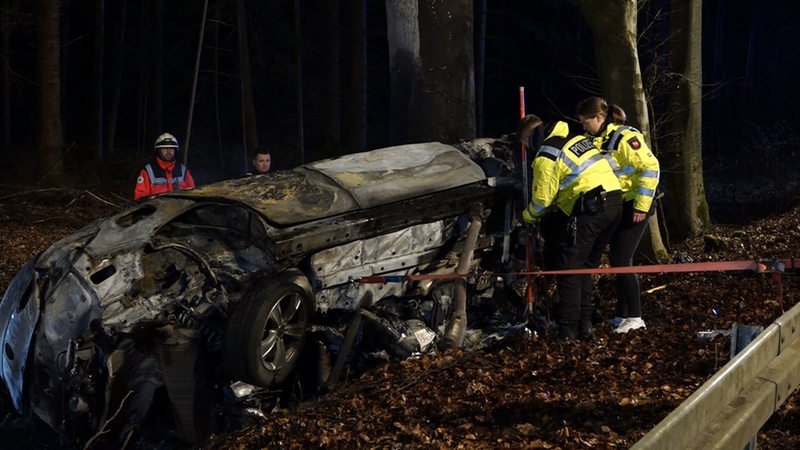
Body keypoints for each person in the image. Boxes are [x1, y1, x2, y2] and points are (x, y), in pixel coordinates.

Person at [517, 114, 623, 341]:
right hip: (613, 204)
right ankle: (585, 327)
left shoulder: (546, 153)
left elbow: (542, 202)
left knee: (568, 270)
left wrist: (526, 216)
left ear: (528, 137)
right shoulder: (573, 139)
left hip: (592, 207)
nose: (527, 150)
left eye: (525, 145)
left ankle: (568, 333)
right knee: (584, 269)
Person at [576, 96, 661, 334]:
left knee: (623, 260)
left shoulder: (625, 137)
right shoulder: (600, 140)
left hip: (636, 204)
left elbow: (651, 167)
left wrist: (642, 206)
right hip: (621, 205)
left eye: (586, 122)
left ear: (598, 117)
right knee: (618, 259)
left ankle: (635, 316)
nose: (584, 127)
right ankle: (622, 315)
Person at [134, 132, 196, 201]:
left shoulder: (183, 170)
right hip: (157, 210)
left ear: (175, 150)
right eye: (164, 148)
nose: (168, 151)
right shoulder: (148, 171)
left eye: (171, 149)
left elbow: (193, 193)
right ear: (158, 150)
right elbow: (139, 198)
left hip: (180, 210)